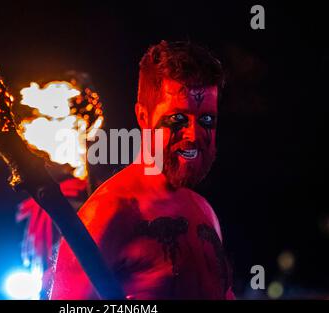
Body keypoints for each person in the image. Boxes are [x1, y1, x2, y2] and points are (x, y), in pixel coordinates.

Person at [52, 40, 235, 299]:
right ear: (143, 117)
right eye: (178, 119)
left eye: (206, 120)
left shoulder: (204, 211)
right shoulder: (106, 214)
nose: (194, 135)